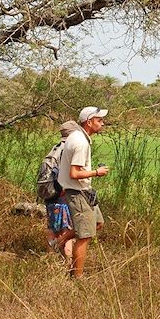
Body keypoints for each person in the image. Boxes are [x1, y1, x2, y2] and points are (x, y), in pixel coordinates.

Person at [57, 106, 110, 278]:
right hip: (78, 192)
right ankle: (77, 278)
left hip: (83, 191)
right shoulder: (80, 142)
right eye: (99, 120)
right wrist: (97, 172)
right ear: (89, 122)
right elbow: (74, 173)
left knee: (97, 223)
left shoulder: (78, 136)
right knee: (84, 236)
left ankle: (59, 240)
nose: (102, 123)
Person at [43, 120, 79, 261]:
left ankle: (50, 259)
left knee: (52, 228)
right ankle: (69, 263)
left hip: (50, 195)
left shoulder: (55, 148)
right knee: (67, 230)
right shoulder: (69, 149)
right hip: (63, 195)